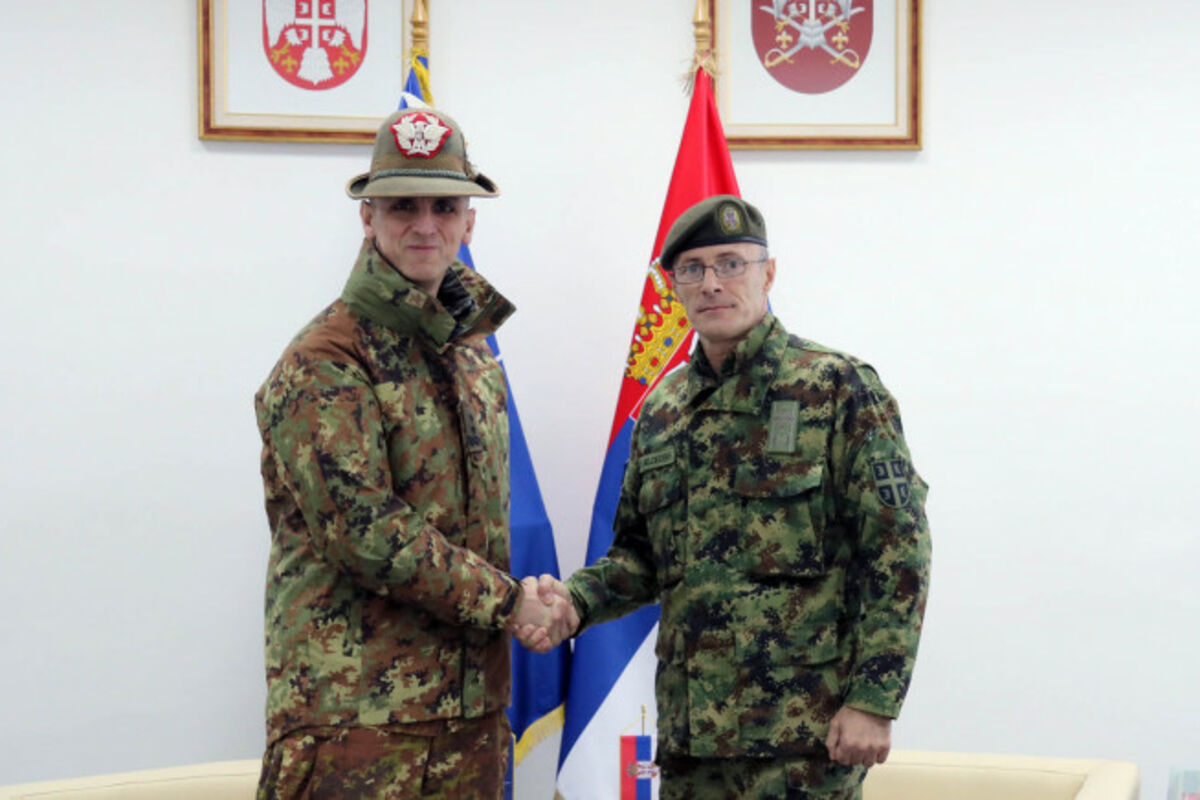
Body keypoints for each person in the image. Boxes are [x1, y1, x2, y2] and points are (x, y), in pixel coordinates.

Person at [529, 195, 932, 799]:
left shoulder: (837, 387)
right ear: (674, 287)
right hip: (692, 740)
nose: (712, 283)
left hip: (803, 740)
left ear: (768, 274)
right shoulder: (664, 410)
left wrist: (874, 700)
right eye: (692, 269)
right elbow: (640, 558)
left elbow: (898, 552)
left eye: (731, 263)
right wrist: (574, 602)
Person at [254, 107, 570, 799]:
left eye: (444, 206)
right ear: (367, 217)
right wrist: (511, 602)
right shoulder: (326, 359)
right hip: (357, 725)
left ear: (469, 222)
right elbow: (366, 534)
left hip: (471, 719)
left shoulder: (472, 355)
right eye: (402, 206)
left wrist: (538, 602)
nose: (425, 225)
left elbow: (479, 530)